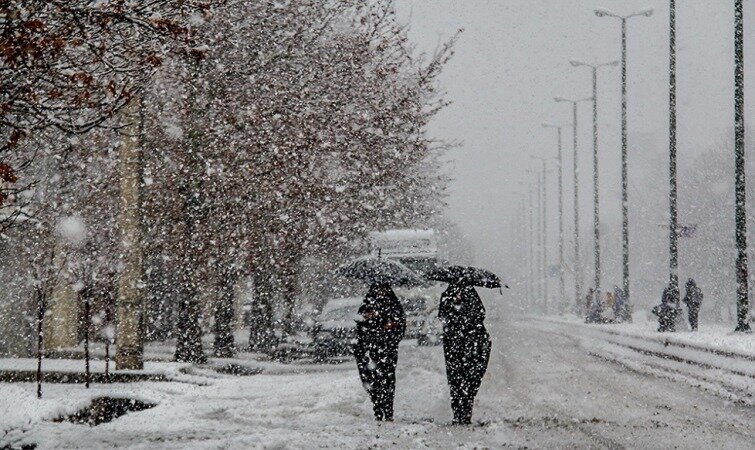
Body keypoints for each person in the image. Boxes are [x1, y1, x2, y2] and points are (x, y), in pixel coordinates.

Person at [439, 282, 491, 425]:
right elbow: (443, 317)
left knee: (471, 379)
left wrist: (463, 309)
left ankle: (466, 411)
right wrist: (454, 307)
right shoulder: (447, 297)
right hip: (454, 346)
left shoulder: (472, 297)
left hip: (472, 345)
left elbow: (480, 315)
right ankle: (458, 414)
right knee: (455, 380)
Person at [353, 282, 405, 421]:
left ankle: (388, 410)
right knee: (371, 380)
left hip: (387, 350)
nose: (381, 292)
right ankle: (377, 406)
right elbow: (359, 327)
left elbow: (400, 328)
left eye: (384, 289)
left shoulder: (394, 306)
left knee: (387, 380)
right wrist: (368, 320)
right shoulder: (366, 306)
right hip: (368, 351)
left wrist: (389, 329)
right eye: (378, 289)